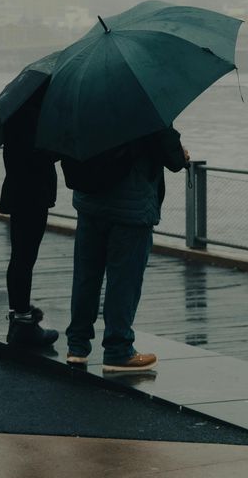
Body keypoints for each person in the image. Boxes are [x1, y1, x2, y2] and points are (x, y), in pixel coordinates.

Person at [62, 127, 188, 372]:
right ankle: (118, 350)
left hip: (90, 203)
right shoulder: (142, 104)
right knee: (124, 280)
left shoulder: (84, 104)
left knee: (86, 275)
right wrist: (181, 154)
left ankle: (77, 347)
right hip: (130, 205)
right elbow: (172, 157)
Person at [0, 102, 58, 348]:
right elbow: (38, 156)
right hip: (32, 196)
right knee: (25, 257)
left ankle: (19, 316)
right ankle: (24, 321)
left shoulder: (14, 119)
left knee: (20, 257)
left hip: (18, 194)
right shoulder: (32, 123)